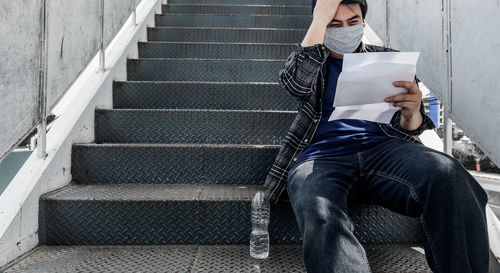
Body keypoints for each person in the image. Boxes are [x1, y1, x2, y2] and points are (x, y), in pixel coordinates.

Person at [262, 0, 491, 272]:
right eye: (334, 24)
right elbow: (295, 83)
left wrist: (413, 113)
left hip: (385, 152)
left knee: (449, 173)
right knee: (317, 206)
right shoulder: (313, 60)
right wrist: (319, 20)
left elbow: (411, 127)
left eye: (352, 22)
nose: (344, 29)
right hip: (321, 158)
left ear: (363, 22)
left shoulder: (387, 58)